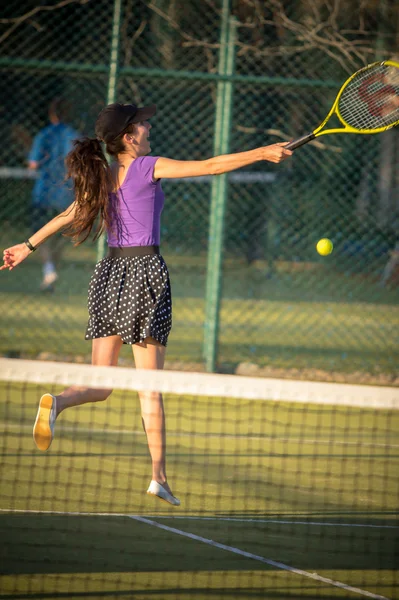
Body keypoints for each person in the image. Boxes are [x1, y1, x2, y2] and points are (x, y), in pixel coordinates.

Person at [1, 102, 292, 506]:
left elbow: (69, 214)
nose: (149, 125)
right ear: (128, 135)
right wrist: (261, 153)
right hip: (143, 275)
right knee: (149, 389)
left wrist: (28, 245)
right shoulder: (146, 166)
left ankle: (59, 402)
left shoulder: (101, 175)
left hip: (109, 276)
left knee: (101, 384)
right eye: (142, 122)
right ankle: (159, 476)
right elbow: (209, 166)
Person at [28, 97, 79, 291]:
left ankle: (49, 270)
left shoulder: (44, 134)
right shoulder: (75, 137)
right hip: (66, 195)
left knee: (39, 233)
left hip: (44, 193)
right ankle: (51, 274)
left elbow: (33, 164)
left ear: (51, 114)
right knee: (60, 236)